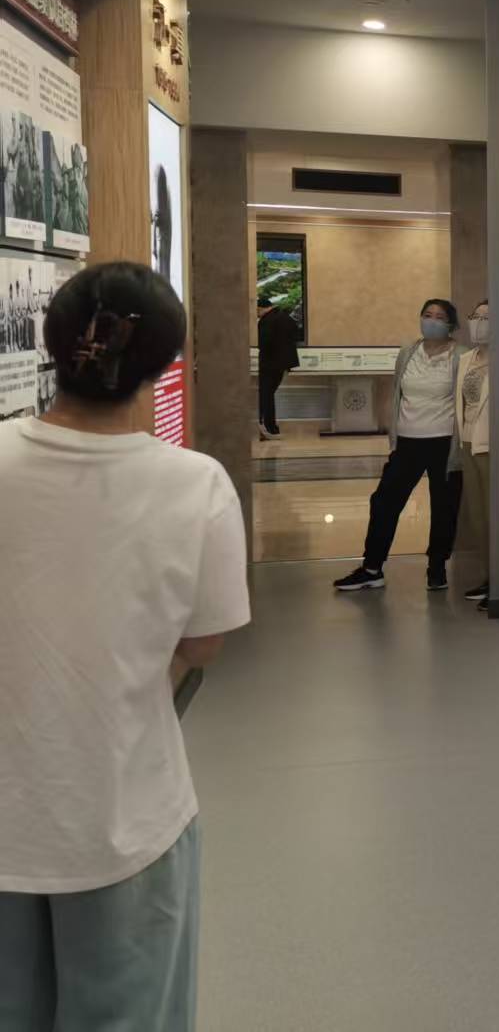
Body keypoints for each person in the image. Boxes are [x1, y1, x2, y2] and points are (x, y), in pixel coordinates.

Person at [0, 261, 250, 1028]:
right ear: (162, 364)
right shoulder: (197, 485)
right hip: (128, 814)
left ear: (51, 342)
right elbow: (202, 644)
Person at [333, 299, 466, 594]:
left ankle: (437, 567)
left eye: (439, 317)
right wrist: (394, 438)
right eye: (427, 315)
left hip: (445, 443)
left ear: (451, 324)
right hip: (408, 442)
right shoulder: (408, 353)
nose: (431, 321)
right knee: (384, 501)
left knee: (444, 507)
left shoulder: (460, 355)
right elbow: (398, 394)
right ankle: (372, 568)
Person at [456, 301, 493, 607]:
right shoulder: (466, 359)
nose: (479, 322)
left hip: (491, 445)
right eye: (475, 316)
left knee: (494, 514)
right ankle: (489, 575)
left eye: (487, 317)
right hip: (467, 442)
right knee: (477, 516)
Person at [256, 294, 300, 440]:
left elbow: (263, 343)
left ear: (261, 308)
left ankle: (268, 426)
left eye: (257, 311)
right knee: (270, 393)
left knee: (265, 394)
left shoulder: (266, 321)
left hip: (269, 363)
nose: (257, 314)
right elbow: (296, 333)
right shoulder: (285, 317)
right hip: (282, 364)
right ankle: (271, 427)